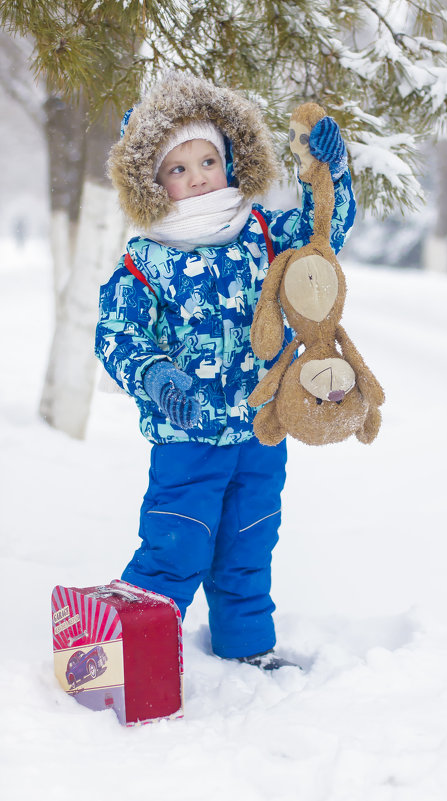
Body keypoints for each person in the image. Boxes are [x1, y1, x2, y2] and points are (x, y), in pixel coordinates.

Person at [95, 72, 356, 670]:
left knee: (248, 545)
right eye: (177, 168)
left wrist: (330, 173)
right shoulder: (149, 259)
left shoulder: (261, 232)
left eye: (207, 160)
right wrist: (157, 374)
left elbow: (325, 234)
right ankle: (133, 660)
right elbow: (118, 333)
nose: (196, 177)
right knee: (177, 545)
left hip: (263, 429)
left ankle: (247, 650)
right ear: (154, 183)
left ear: (231, 160)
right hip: (188, 437)